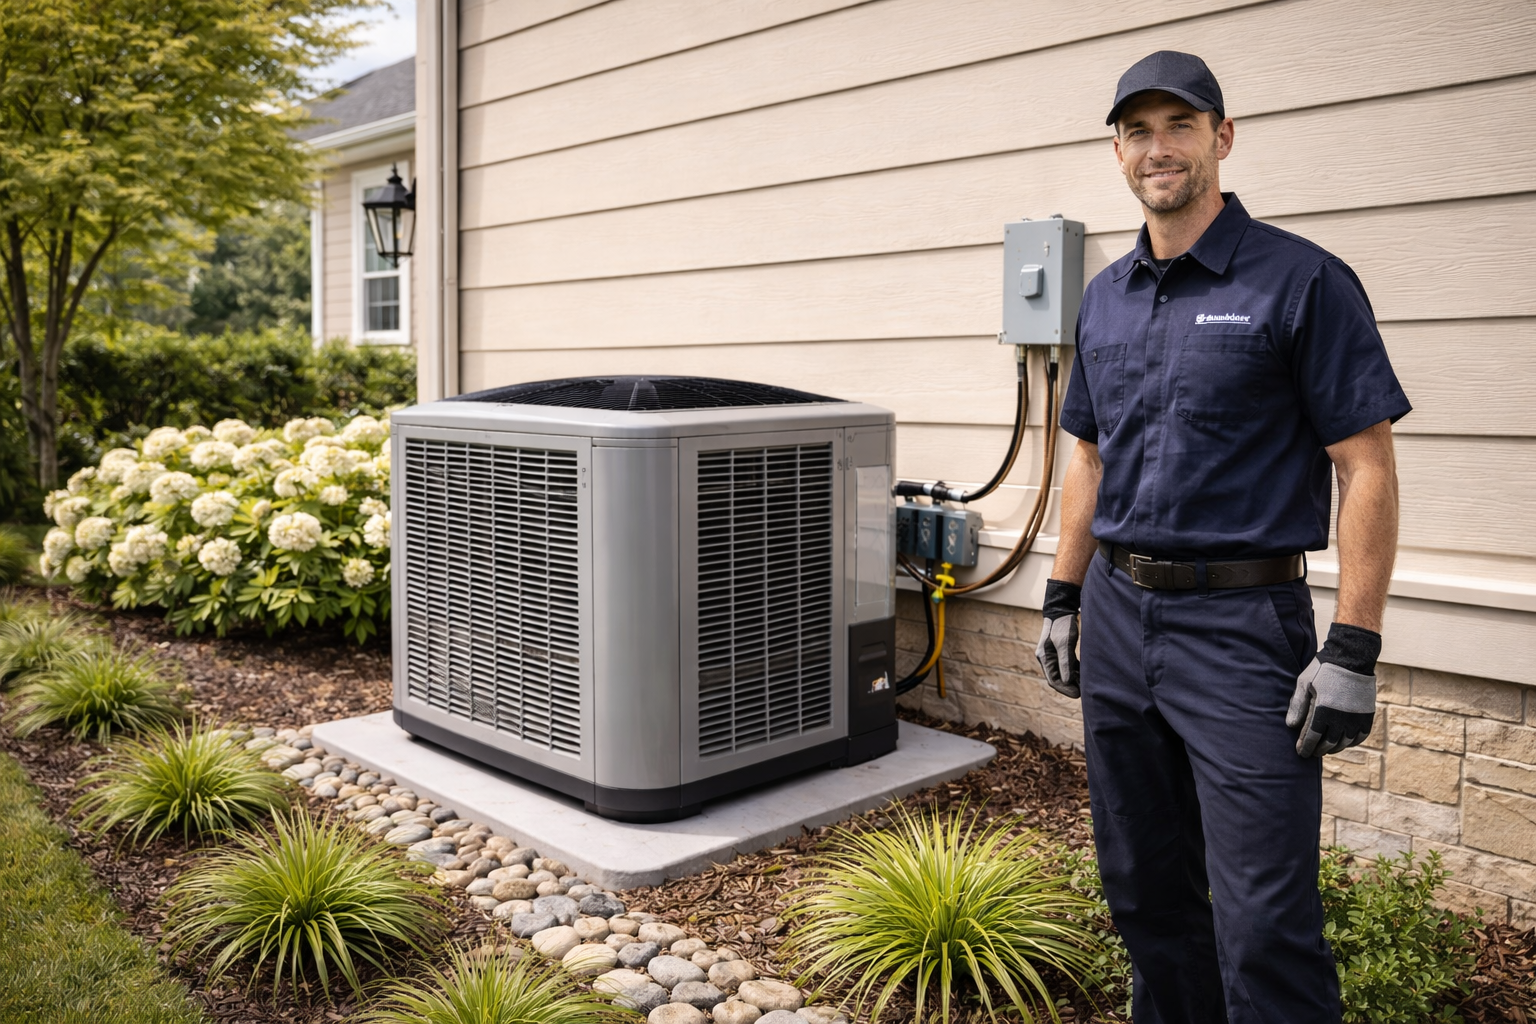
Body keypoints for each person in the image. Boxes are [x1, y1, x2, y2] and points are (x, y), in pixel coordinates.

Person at [1034, 51, 1410, 1023]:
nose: (1158, 148)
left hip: (1242, 626)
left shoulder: (1303, 283)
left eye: (1180, 125)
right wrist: (1064, 594)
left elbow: (1364, 464)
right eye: (1138, 130)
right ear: (1117, 150)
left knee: (1265, 922)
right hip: (1118, 621)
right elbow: (1090, 455)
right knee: (1145, 894)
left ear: (1222, 137)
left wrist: (1355, 647)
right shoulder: (1105, 295)